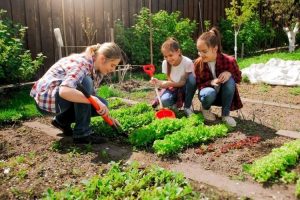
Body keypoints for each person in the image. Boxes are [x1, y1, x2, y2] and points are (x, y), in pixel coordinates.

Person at [30, 42, 123, 143]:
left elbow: (89, 96)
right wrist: (94, 99)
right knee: (85, 81)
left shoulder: (97, 70)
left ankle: (61, 121)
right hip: (48, 100)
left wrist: (108, 118)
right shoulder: (82, 64)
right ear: (102, 59)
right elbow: (64, 91)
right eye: (112, 65)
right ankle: (82, 134)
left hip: (60, 100)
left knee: (102, 104)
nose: (113, 69)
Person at [194, 27, 243, 127]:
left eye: (204, 51)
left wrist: (230, 74)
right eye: (199, 51)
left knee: (230, 81)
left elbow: (238, 78)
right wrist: (211, 82)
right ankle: (206, 109)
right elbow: (198, 84)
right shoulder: (198, 63)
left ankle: (225, 115)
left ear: (215, 48)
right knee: (209, 92)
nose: (201, 54)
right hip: (208, 95)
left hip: (223, 96)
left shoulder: (229, 60)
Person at [150, 38, 196, 117]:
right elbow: (169, 81)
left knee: (192, 79)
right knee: (164, 100)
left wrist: (167, 84)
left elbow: (183, 83)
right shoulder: (165, 63)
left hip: (185, 89)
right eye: (165, 56)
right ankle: (174, 105)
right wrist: (158, 82)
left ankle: (187, 107)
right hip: (173, 88)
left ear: (178, 52)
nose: (168, 59)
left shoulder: (187, 62)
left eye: (170, 55)